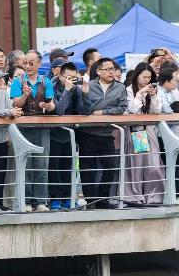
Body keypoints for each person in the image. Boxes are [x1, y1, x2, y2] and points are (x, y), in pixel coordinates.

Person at [9, 50, 55, 212]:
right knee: (26, 164)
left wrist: (47, 106)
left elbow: (52, 105)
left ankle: (41, 201)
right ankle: (26, 200)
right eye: (25, 63)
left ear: (39, 64)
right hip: (23, 128)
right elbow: (16, 104)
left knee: (42, 164)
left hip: (42, 127)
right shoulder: (18, 81)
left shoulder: (46, 81)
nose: (27, 66)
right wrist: (24, 95)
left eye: (31, 63)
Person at [79, 57, 128, 209]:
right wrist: (85, 95)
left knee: (111, 167)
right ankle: (90, 200)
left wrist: (103, 112)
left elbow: (122, 107)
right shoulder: (89, 86)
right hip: (87, 133)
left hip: (107, 133)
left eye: (112, 69)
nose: (111, 72)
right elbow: (84, 109)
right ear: (98, 71)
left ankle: (102, 199)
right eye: (107, 69)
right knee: (87, 169)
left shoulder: (120, 87)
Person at [124, 62, 165, 205]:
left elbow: (157, 111)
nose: (147, 80)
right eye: (144, 77)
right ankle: (136, 196)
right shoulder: (129, 90)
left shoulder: (153, 89)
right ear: (137, 76)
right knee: (138, 165)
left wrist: (153, 96)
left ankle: (154, 196)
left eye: (149, 77)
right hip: (137, 130)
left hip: (149, 130)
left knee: (154, 164)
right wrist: (139, 94)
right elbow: (133, 110)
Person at [0, 67, 22, 211]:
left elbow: (8, 110)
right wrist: (9, 111)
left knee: (1, 172)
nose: (1, 80)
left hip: (3, 138)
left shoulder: (4, 93)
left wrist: (13, 112)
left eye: (2, 77)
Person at [51, 62, 85, 210]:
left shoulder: (76, 89)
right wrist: (67, 90)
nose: (71, 80)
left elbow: (82, 111)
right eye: (68, 77)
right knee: (54, 168)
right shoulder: (51, 87)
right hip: (53, 133)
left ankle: (68, 199)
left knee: (69, 168)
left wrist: (84, 93)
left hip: (70, 134)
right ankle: (55, 199)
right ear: (60, 76)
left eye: (73, 77)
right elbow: (59, 110)